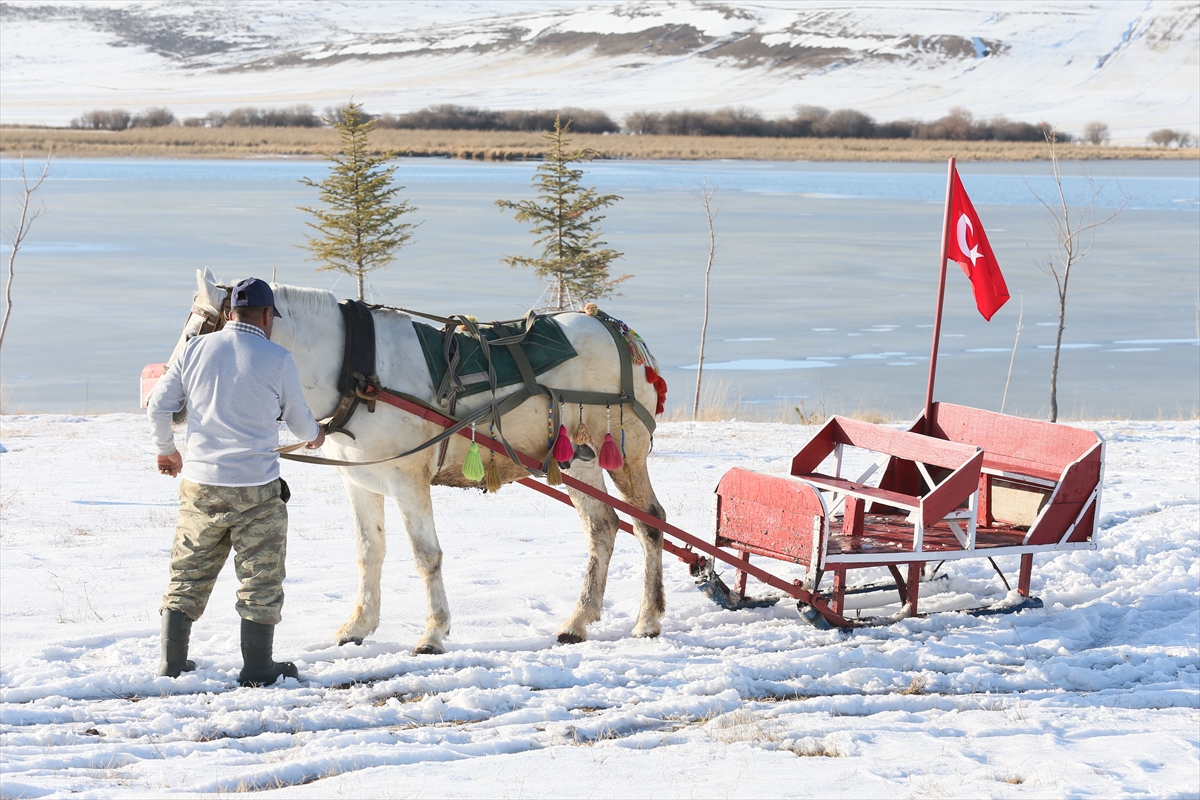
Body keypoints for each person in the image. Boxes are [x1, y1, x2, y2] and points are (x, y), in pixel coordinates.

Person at [147, 277, 325, 687]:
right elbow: (300, 422)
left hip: (200, 484)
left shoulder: (194, 350)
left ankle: (171, 664)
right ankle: (258, 667)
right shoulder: (277, 358)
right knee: (260, 578)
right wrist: (315, 435)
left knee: (187, 572)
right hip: (256, 489)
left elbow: (159, 406)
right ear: (266, 316)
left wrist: (167, 451)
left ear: (229, 314)